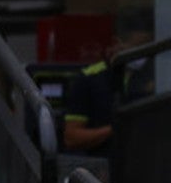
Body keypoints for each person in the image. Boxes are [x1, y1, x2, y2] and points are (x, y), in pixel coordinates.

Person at [62, 8, 155, 155]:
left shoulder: (159, 74)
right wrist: (113, 130)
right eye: (138, 48)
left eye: (148, 49)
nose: (143, 55)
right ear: (117, 43)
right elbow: (72, 137)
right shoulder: (90, 79)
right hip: (107, 165)